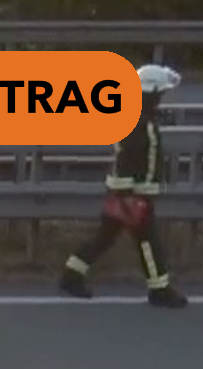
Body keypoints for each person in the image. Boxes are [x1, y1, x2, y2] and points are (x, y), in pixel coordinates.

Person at [59, 63, 188, 308]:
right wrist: (128, 196)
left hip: (126, 194)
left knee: (106, 238)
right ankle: (159, 290)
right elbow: (130, 160)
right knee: (148, 241)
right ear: (150, 94)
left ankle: (71, 275)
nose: (161, 99)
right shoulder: (140, 124)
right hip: (132, 196)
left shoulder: (137, 119)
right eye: (159, 94)